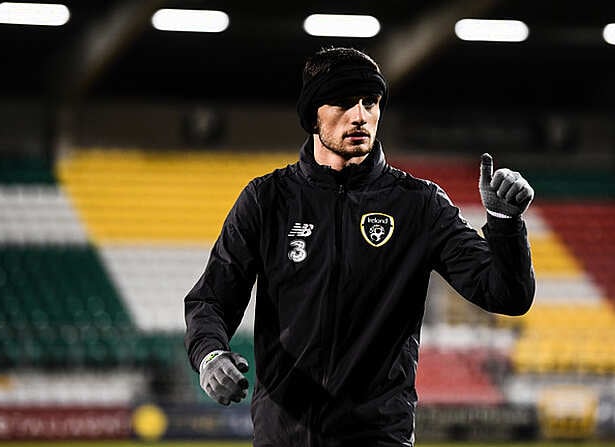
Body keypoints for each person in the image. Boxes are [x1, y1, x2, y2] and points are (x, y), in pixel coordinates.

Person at [184, 47, 535, 446]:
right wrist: (210, 355)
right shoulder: (268, 200)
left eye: (370, 102)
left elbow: (506, 294)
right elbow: (210, 300)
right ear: (312, 114)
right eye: (343, 102)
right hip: (284, 437)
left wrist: (506, 225)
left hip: (377, 437)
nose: (360, 116)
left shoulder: (418, 204)